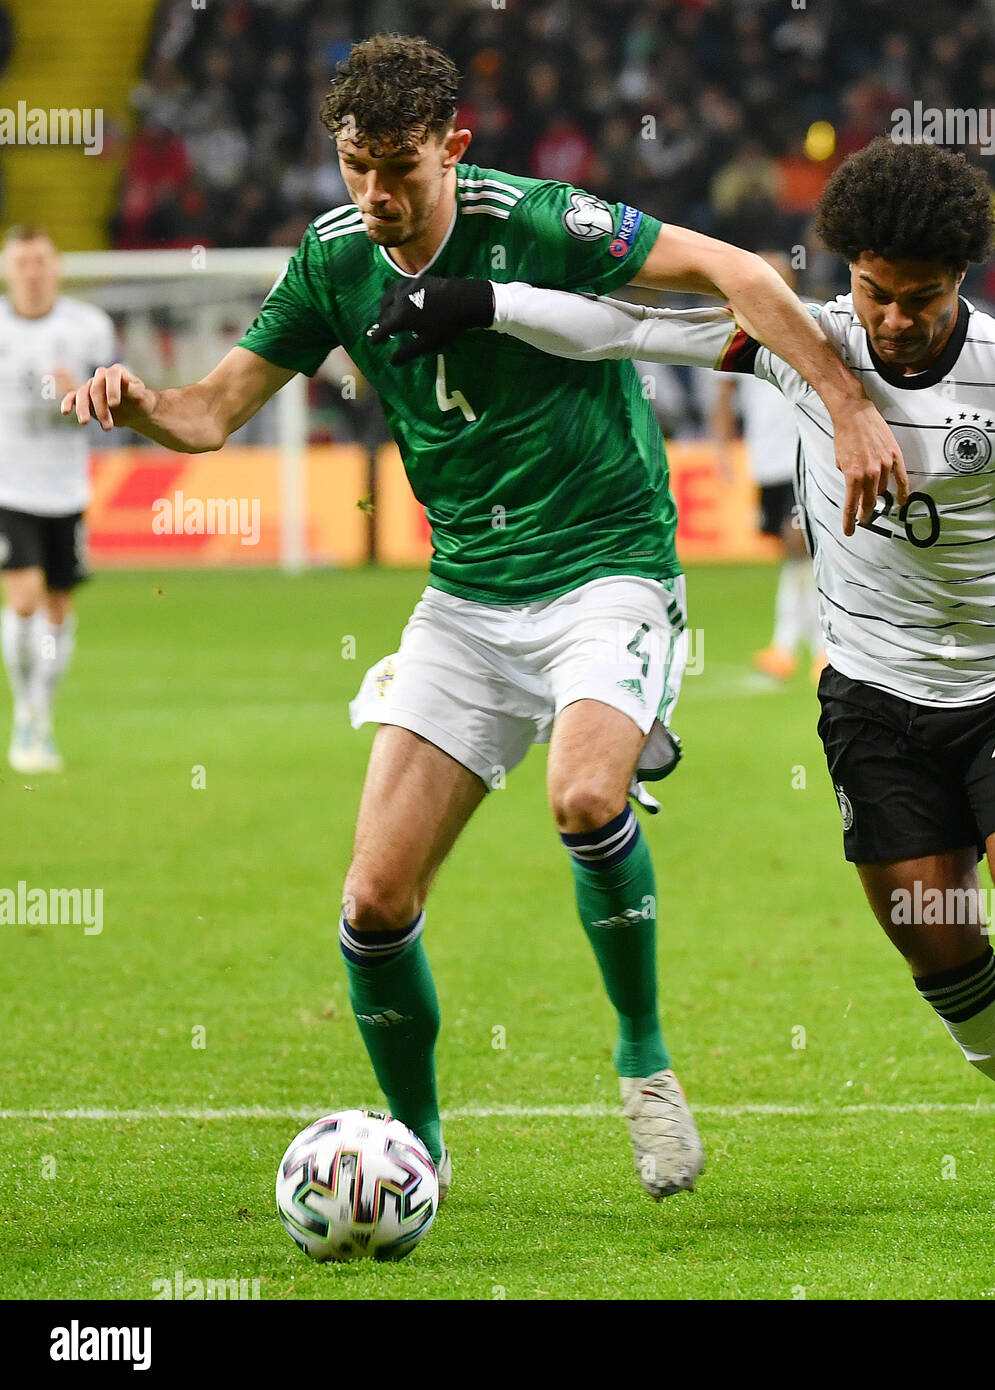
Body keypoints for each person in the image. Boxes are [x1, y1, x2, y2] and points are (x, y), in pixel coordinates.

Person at [61, 37, 905, 1203]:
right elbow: (208, 416)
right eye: (354, 166)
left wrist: (848, 407)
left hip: (606, 563)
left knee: (585, 795)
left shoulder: (542, 219)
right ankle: (416, 1148)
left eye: (398, 167)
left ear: (453, 148)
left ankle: (645, 1065)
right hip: (466, 597)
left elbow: (739, 272)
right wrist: (140, 404)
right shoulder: (330, 261)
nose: (376, 196)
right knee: (371, 905)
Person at [386, 138, 995, 1204]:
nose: (894, 319)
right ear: (845, 271)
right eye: (873, 291)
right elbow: (626, 327)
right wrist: (483, 301)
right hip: (871, 704)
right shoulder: (803, 343)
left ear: (963, 282)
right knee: (946, 967)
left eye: (921, 298)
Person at [0, 226, 115, 773]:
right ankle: (25, 713)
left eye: (41, 261)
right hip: (7, 488)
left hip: (66, 490)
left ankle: (40, 711)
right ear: (7, 268)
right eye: (22, 262)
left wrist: (85, 392)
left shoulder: (89, 326)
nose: (32, 271)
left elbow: (119, 403)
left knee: (57, 608)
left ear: (56, 266)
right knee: (23, 600)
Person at [709, 250, 823, 683]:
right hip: (767, 458)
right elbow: (723, 396)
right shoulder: (738, 328)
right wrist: (722, 450)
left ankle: (816, 648)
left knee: (803, 544)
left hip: (807, 455)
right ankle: (788, 645)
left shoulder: (811, 321)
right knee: (793, 555)